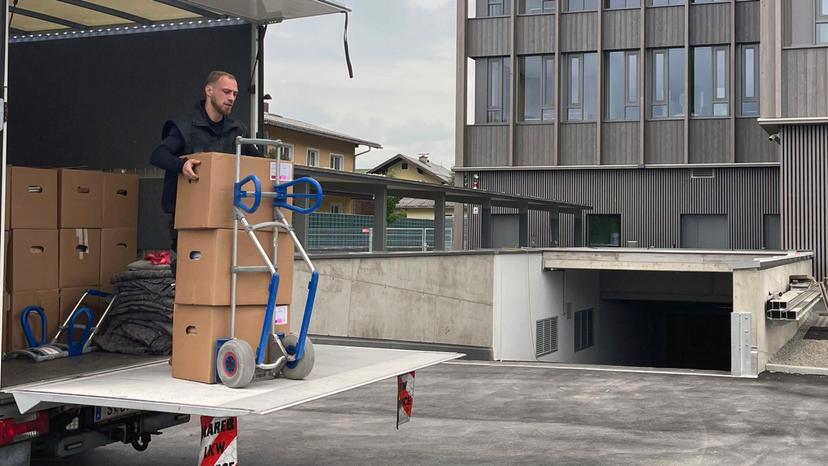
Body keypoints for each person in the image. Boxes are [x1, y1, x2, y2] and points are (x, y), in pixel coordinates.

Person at [150, 70, 261, 276]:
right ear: (209, 90)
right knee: (191, 278)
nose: (231, 98)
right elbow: (158, 155)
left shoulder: (237, 130)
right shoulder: (185, 127)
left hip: (227, 218)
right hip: (188, 219)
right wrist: (181, 165)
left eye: (235, 94)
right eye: (226, 92)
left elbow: (259, 163)